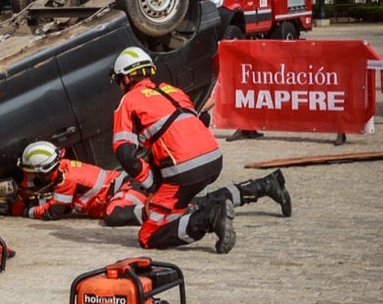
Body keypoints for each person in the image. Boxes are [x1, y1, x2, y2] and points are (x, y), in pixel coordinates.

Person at [109, 47, 291, 254]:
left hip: (183, 168)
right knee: (190, 201)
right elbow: (199, 120)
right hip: (212, 158)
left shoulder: (129, 101)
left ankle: (210, 219)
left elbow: (125, 154)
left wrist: (151, 185)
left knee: (149, 235)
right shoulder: (173, 90)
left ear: (125, 78)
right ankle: (264, 185)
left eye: (118, 80)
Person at [12, 140, 144, 226]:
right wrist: (28, 203)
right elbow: (63, 204)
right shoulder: (63, 168)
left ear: (43, 171)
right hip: (125, 185)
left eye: (32, 173)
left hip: (130, 187)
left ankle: (153, 213)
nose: (31, 177)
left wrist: (25, 210)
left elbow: (53, 212)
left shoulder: (65, 179)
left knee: (113, 215)